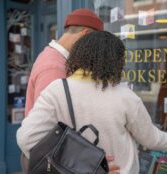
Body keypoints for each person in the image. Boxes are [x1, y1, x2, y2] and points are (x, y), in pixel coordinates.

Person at [17, 31, 167, 174]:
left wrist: (79, 163)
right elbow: (151, 139)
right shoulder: (125, 97)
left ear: (79, 56)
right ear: (116, 62)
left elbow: (27, 139)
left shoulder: (57, 89)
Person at [23, 8, 119, 173]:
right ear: (85, 34)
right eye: (94, 44)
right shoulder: (54, 66)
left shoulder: (55, 59)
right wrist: (92, 165)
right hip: (52, 162)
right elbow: (52, 131)